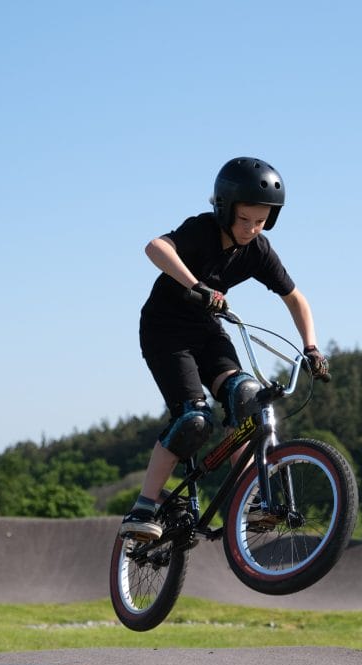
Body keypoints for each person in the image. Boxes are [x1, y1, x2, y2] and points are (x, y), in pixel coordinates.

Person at [119, 156, 331, 541]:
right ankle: (144, 506)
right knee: (193, 420)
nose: (252, 229)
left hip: (207, 329)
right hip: (164, 332)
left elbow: (296, 298)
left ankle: (252, 502)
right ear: (224, 209)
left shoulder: (259, 251)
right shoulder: (200, 230)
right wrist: (194, 285)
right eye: (245, 219)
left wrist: (311, 347)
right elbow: (155, 247)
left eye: (261, 221)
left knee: (247, 398)